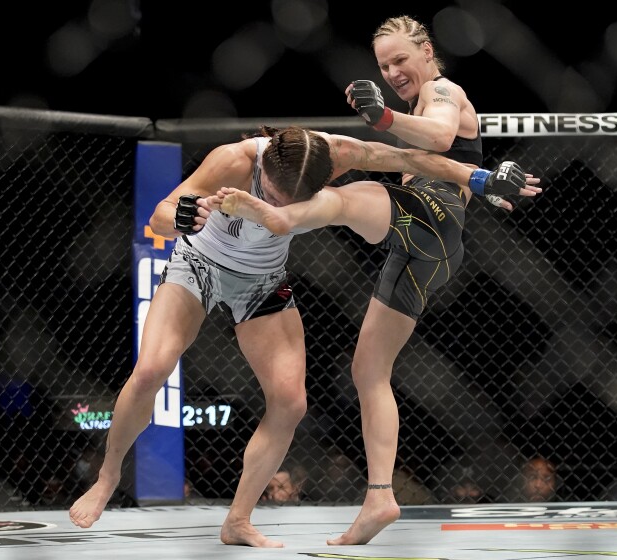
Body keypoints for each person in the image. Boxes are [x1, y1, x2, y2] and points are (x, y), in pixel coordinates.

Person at [68, 124, 536, 548]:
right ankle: (108, 476)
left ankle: (238, 520)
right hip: (199, 265)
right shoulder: (233, 160)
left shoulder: (337, 153)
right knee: (151, 369)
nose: (279, 208)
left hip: (263, 280)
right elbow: (159, 216)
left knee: (291, 403)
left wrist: (479, 178)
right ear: (264, 168)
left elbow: (410, 159)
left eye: (292, 201)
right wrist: (184, 217)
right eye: (274, 196)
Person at [216, 16, 541, 546]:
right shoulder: (418, 106)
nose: (392, 73)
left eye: (399, 60)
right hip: (429, 250)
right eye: (384, 66)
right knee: (368, 370)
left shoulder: (442, 91)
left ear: (427, 51)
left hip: (432, 217)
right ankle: (379, 497)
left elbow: (440, 135)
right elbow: (425, 146)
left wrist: (383, 116)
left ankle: (279, 217)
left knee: (352, 196)